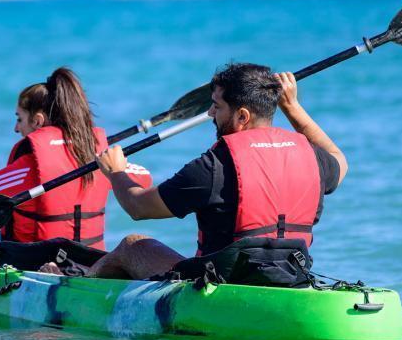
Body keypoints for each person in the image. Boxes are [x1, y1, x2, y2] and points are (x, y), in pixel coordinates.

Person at [59, 62, 346, 279]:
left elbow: (138, 207)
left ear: (242, 116)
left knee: (133, 245)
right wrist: (293, 107)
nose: (210, 114)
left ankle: (77, 283)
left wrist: (116, 172)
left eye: (217, 107)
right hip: (292, 276)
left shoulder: (214, 167)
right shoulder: (311, 156)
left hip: (223, 283)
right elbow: (339, 161)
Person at [0, 67, 151, 251]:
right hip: (90, 262)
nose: (16, 128)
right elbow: (145, 179)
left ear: (37, 121)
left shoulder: (28, 169)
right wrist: (113, 167)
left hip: (35, 265)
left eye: (19, 119)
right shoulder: (100, 160)